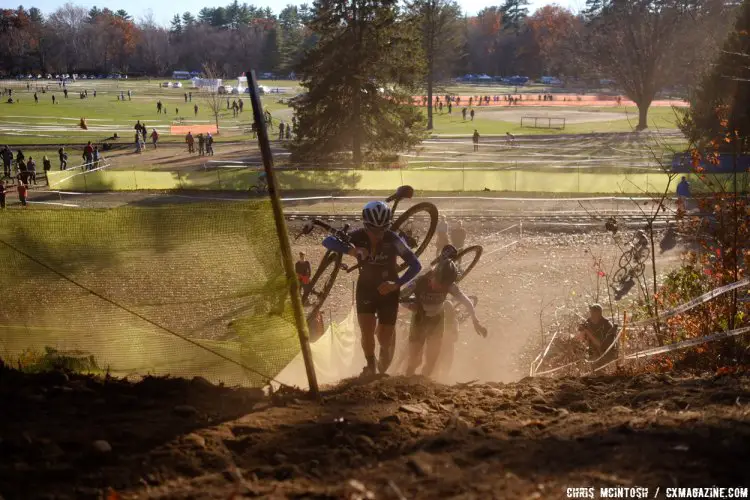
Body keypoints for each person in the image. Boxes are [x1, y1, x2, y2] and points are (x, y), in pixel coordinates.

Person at [321, 201, 422, 376]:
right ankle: (370, 365)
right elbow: (328, 241)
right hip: (366, 288)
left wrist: (396, 284)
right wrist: (351, 251)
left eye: (383, 229)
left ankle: (384, 344)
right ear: (366, 226)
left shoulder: (393, 239)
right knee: (366, 332)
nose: (379, 234)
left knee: (383, 338)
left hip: (389, 290)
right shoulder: (358, 237)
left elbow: (415, 265)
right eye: (374, 230)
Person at [401, 259, 487, 378]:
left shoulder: (451, 286)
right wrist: (410, 306)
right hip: (419, 318)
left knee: (432, 359)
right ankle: (408, 376)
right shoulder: (418, 282)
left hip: (437, 319)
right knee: (415, 359)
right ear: (433, 276)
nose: (441, 288)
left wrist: (475, 321)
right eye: (439, 283)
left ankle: (424, 380)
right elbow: (400, 297)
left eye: (445, 286)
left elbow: (466, 301)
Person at [577, 304, 617, 369]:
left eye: (593, 313)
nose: (591, 315)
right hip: (593, 353)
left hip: (606, 354)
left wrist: (587, 331)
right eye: (591, 313)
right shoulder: (589, 322)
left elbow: (600, 344)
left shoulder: (607, 325)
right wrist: (582, 331)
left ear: (598, 314)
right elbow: (581, 341)